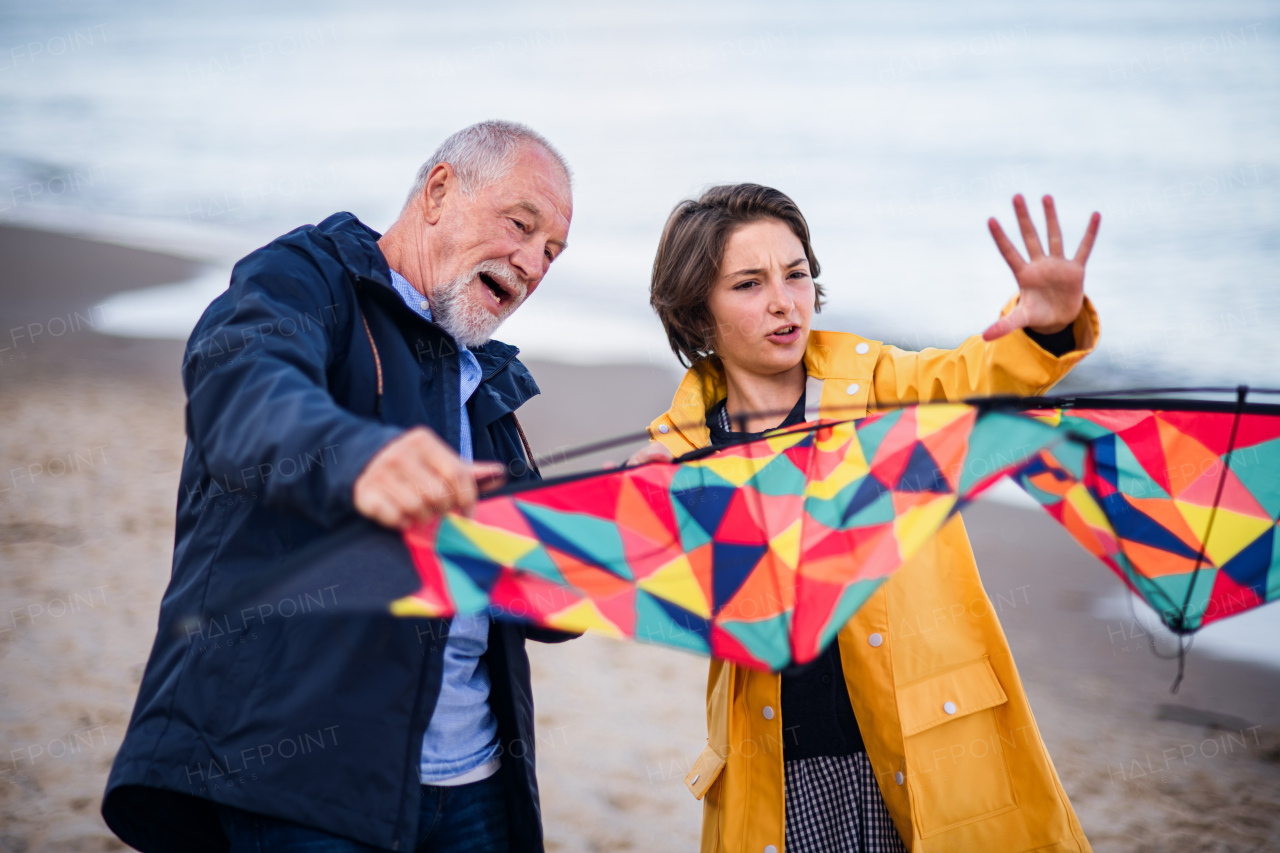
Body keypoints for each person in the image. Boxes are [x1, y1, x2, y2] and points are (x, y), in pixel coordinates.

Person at [103, 120, 575, 853]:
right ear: (440, 190)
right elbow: (241, 395)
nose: (534, 262)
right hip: (306, 779)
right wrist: (362, 459)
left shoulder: (488, 375)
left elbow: (543, 602)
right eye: (521, 225)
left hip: (480, 784)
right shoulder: (303, 278)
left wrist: (606, 532)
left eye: (552, 252)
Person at [634, 183, 1101, 852]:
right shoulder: (681, 447)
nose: (782, 300)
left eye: (796, 273)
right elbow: (676, 600)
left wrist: (1045, 328)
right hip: (779, 767)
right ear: (699, 316)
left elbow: (971, 376)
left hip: (922, 746)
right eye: (748, 283)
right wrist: (645, 514)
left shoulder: (878, 386)